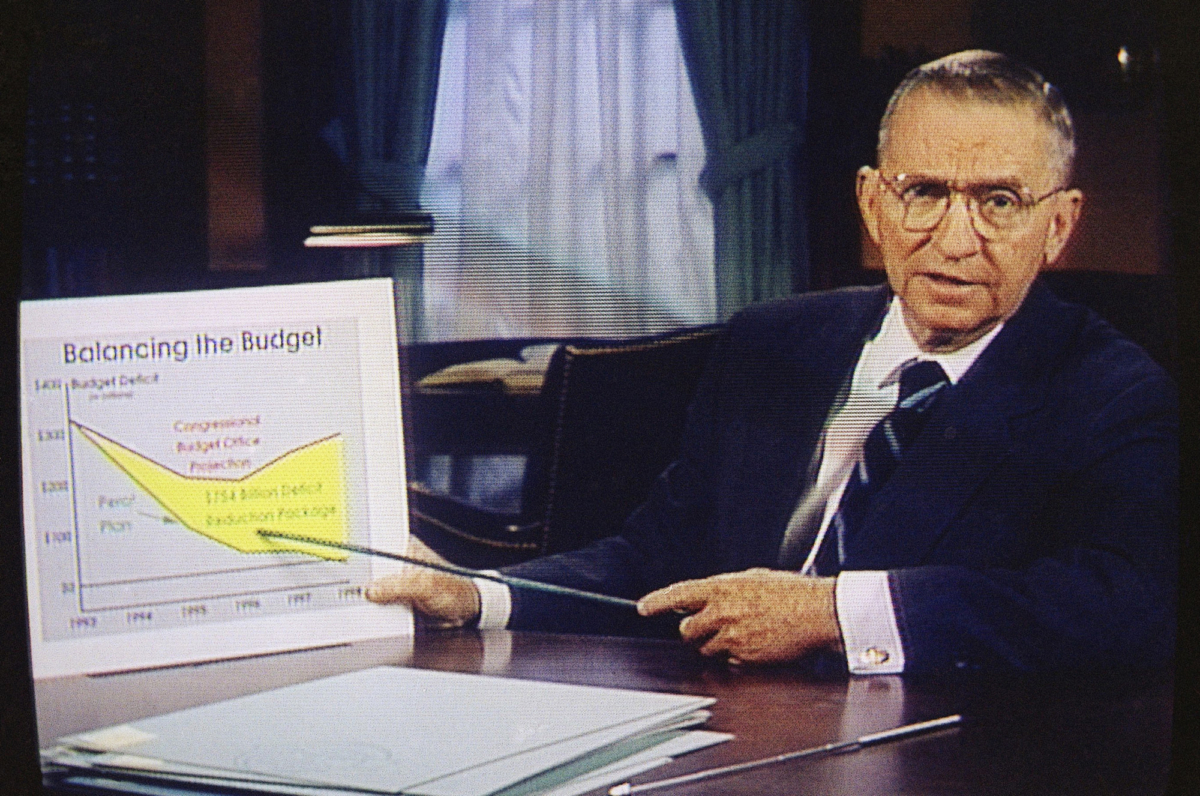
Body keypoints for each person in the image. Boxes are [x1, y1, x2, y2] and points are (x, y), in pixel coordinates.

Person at [368, 50, 1177, 674]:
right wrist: (478, 594)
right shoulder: (773, 343)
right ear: (873, 204)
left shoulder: (1112, 392)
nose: (956, 239)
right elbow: (658, 557)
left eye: (998, 201)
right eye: (924, 193)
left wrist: (832, 614)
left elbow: (1126, 607)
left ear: (1059, 225)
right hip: (709, 722)